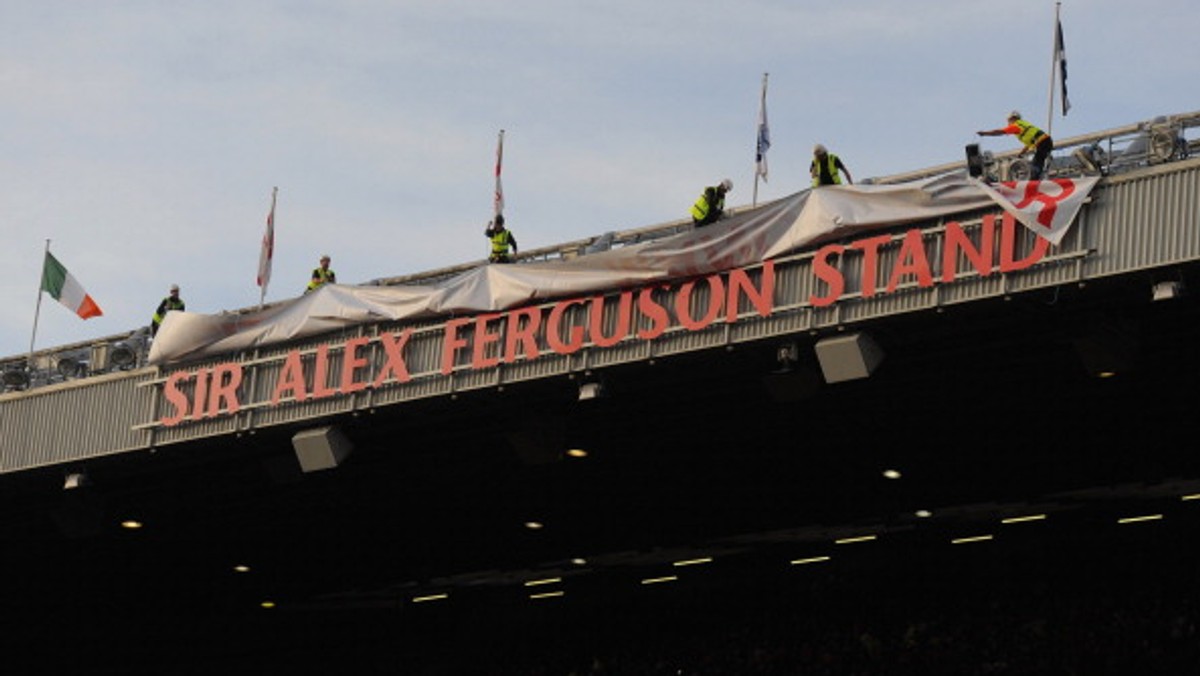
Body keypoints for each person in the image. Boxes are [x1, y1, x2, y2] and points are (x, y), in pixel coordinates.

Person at [977, 110, 1054, 180]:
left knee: (1036, 164)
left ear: (1012, 119)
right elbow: (1028, 144)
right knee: (1039, 160)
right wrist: (1022, 153)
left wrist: (985, 133)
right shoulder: (1024, 125)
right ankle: (1038, 175)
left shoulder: (1016, 126)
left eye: (1009, 121)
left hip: (1042, 142)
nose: (1008, 124)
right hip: (1045, 141)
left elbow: (999, 132)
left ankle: (1035, 179)